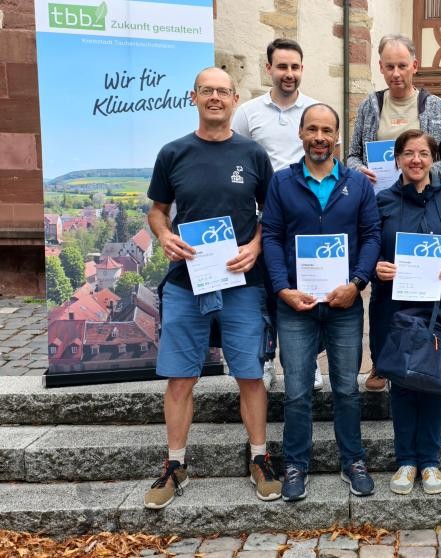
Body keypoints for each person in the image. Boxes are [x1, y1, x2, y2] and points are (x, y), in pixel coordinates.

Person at [144, 67, 281, 509]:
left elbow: (271, 217)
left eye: (223, 92)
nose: (216, 98)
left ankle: (259, 458)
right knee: (182, 377)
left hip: (242, 282)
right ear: (194, 96)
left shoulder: (253, 154)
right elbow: (158, 211)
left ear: (235, 99)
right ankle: (175, 464)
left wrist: (256, 246)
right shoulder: (173, 153)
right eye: (208, 91)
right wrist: (164, 235)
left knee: (250, 374)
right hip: (188, 282)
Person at [261, 103, 381, 501]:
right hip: (296, 304)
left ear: (337, 137)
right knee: (297, 391)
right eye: (312, 129)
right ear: (300, 133)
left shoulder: (358, 184)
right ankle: (296, 464)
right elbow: (272, 238)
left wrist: (357, 282)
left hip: (344, 304)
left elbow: (371, 237)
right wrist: (282, 289)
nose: (319, 137)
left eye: (327, 130)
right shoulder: (281, 183)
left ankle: (353, 460)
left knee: (347, 388)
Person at [347, 33, 441, 393]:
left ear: (415, 65)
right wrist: (357, 170)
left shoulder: (434, 106)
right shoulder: (369, 105)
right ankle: (382, 361)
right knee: (383, 283)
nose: (396, 73)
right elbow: (352, 156)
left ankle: (428, 349)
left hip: (425, 204)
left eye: (402, 65)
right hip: (381, 207)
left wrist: (425, 174)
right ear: (380, 67)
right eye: (389, 66)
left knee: (423, 282)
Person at [372, 129, 441, 495]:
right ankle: (406, 460)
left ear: (433, 159)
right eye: (408, 153)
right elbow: (366, 244)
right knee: (402, 383)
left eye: (422, 153)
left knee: (434, 383)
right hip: (395, 307)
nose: (416, 160)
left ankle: (431, 462)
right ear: (397, 159)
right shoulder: (381, 203)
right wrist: (377, 266)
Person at [233, 38, 324, 392]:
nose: (289, 74)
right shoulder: (249, 113)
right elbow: (234, 155)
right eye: (282, 67)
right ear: (268, 68)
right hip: (264, 219)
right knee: (269, 293)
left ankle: (309, 361)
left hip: (308, 218)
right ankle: (267, 361)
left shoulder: (315, 108)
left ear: (302, 70)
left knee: (310, 288)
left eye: (295, 67)